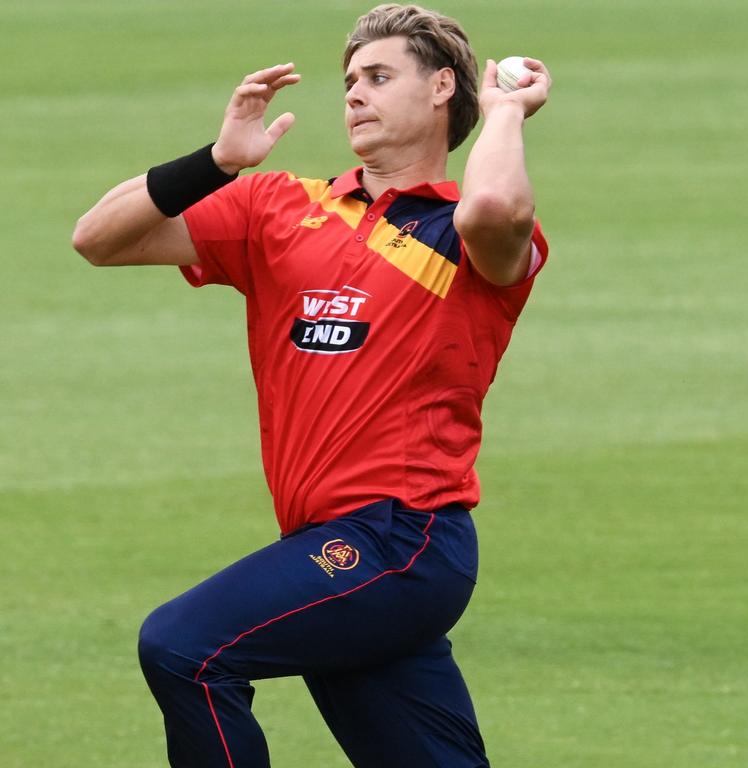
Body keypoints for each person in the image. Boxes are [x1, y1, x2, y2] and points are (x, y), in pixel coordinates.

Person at [72, 4, 551, 766]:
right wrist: (219, 163)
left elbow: (495, 204)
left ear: (441, 90)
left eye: (380, 76)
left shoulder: (462, 237)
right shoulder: (279, 208)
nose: (355, 93)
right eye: (350, 80)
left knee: (184, 649)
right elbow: (97, 238)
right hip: (333, 552)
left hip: (402, 538)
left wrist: (503, 112)